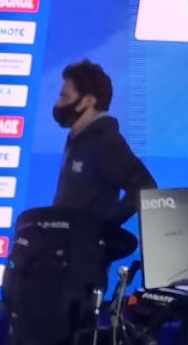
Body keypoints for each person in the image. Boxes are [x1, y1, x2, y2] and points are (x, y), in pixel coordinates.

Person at [50, 59, 156, 224]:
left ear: (88, 101)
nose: (58, 104)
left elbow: (145, 187)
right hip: (67, 239)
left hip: (86, 241)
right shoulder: (77, 138)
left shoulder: (106, 140)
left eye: (65, 97)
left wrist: (104, 227)